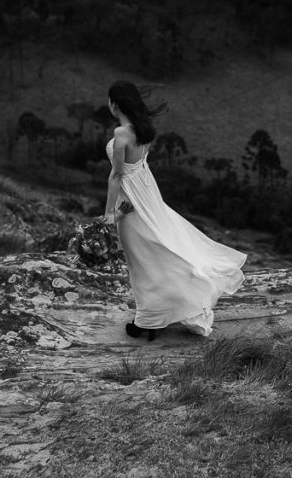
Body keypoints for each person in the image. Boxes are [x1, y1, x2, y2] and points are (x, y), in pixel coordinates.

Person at [101, 81, 246, 339]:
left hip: (132, 202)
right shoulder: (142, 129)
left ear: (115, 104)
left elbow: (116, 176)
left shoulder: (122, 134)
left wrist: (110, 213)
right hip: (146, 193)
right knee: (157, 252)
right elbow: (139, 168)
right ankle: (154, 316)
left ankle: (149, 320)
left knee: (142, 261)